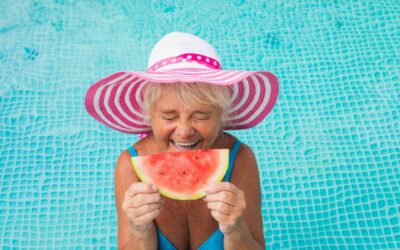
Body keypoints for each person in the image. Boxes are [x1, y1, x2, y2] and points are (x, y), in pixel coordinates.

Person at [85, 32, 279, 249]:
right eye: (169, 116)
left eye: (201, 116)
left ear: (221, 115)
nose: (184, 132)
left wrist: (235, 229)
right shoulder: (130, 164)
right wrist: (140, 230)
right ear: (150, 114)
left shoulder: (239, 158)